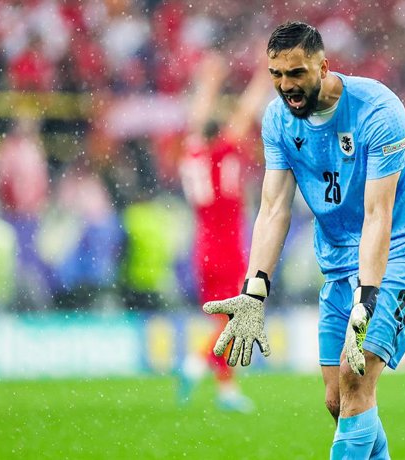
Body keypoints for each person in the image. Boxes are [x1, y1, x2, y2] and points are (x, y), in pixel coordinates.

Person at [202, 22, 405, 458]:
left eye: (296, 74)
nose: (286, 86)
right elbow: (274, 208)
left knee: (357, 380)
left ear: (323, 66)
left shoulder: (378, 111)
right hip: (337, 260)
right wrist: (255, 290)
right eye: (276, 75)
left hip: (400, 250)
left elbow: (377, 214)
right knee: (337, 400)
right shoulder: (277, 120)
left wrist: (366, 299)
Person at [177, 50, 272, 412]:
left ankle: (226, 389)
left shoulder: (194, 156)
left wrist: (209, 83)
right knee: (239, 315)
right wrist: (264, 80)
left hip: (202, 245)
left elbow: (195, 124)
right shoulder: (224, 153)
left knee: (224, 317)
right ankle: (196, 363)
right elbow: (245, 114)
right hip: (228, 245)